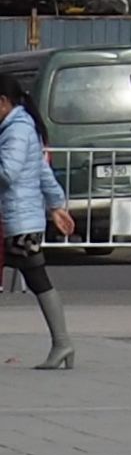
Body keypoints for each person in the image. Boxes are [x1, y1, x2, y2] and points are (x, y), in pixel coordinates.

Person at [0, 59, 63, 371]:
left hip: (17, 222)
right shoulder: (25, 127)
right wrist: (57, 205)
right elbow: (43, 173)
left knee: (38, 278)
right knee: (38, 279)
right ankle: (63, 343)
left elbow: (8, 173)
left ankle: (63, 343)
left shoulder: (15, 131)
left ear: (3, 102)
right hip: (24, 220)